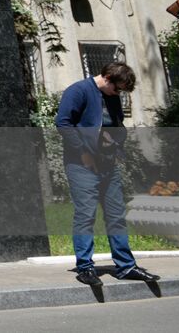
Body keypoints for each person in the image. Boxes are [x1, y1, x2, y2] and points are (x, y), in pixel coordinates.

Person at [56, 62, 159, 286]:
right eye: (117, 88)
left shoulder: (111, 96)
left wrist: (117, 145)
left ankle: (125, 266)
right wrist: (84, 153)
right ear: (108, 77)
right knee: (86, 216)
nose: (118, 93)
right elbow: (63, 123)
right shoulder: (79, 91)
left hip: (108, 164)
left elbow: (117, 125)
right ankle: (85, 268)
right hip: (81, 165)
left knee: (116, 216)